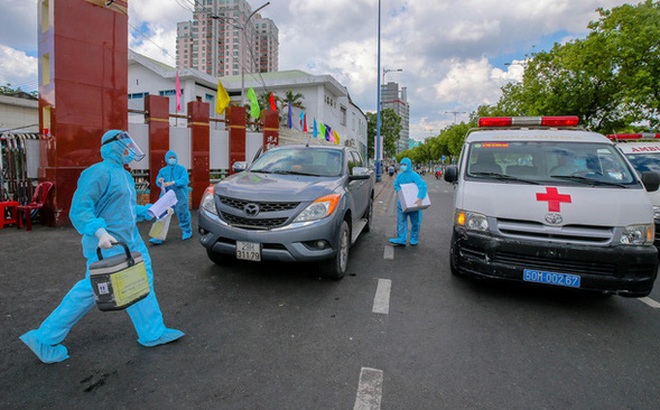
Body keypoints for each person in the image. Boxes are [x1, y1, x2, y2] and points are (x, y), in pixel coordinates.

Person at [19, 130, 184, 364]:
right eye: (126, 146)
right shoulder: (97, 172)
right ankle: (44, 337)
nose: (130, 151)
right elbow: (80, 209)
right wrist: (99, 232)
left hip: (130, 243)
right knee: (89, 291)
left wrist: (152, 211)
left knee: (140, 284)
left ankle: (152, 331)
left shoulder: (124, 176)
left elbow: (125, 211)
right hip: (109, 245)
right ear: (114, 147)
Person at [149, 150, 193, 244]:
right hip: (166, 196)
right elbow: (158, 182)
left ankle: (187, 231)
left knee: (182, 213)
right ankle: (157, 236)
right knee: (161, 214)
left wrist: (174, 182)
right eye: (170, 158)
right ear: (166, 159)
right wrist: (159, 180)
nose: (172, 159)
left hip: (180, 196)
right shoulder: (163, 170)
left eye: (173, 157)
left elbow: (185, 180)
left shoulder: (181, 169)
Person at [389, 157, 428, 247]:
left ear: (409, 165)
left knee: (416, 222)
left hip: (414, 202)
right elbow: (396, 184)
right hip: (402, 203)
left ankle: (414, 237)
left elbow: (423, 186)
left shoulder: (415, 176)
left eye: (405, 164)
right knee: (401, 220)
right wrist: (400, 191)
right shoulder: (400, 176)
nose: (403, 166)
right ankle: (401, 238)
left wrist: (420, 198)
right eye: (401, 164)